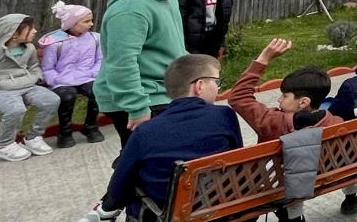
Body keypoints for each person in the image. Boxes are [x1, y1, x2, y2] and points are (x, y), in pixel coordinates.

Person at [83, 54, 243, 221]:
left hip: (168, 215)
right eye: (216, 82)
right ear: (199, 85)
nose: (218, 87)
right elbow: (237, 160)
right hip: (221, 209)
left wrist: (111, 204)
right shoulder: (225, 116)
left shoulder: (145, 131)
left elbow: (118, 188)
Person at [226, 39, 357, 218]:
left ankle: (293, 217)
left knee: (286, 175)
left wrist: (264, 58)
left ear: (303, 102)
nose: (279, 100)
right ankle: (354, 195)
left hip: (283, 184)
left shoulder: (272, 122)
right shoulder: (335, 122)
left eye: (284, 96)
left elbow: (238, 97)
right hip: (329, 173)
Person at [94, 0, 188, 147]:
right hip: (140, 96)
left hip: (162, 90)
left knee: (162, 154)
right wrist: (137, 107)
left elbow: (172, 45)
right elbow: (122, 63)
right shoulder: (130, 11)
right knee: (146, 157)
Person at [0, 13, 59, 162]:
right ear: (13, 34)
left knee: (51, 100)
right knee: (15, 108)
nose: (34, 31)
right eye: (30, 29)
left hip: (24, 86)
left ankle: (33, 137)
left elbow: (34, 67)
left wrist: (35, 78)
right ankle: (4, 145)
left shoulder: (29, 48)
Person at [39, 0, 104, 149]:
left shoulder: (95, 38)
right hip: (63, 80)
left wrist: (93, 73)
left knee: (98, 90)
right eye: (86, 21)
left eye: (91, 20)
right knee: (67, 97)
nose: (91, 24)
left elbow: (100, 60)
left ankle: (90, 126)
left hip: (87, 76)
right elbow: (48, 68)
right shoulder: (55, 43)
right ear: (72, 24)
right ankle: (65, 132)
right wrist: (56, 80)